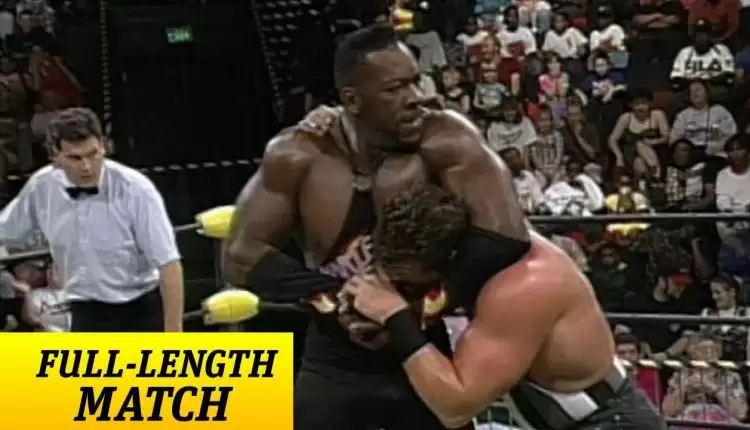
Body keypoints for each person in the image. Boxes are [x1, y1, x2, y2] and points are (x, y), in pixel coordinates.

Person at [222, 24, 531, 430]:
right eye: (395, 88)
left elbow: (505, 235)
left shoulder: (446, 139)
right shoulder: (299, 154)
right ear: (353, 100)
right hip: (334, 356)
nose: (416, 97)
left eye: (416, 81)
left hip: (421, 345)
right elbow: (240, 255)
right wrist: (341, 304)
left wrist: (411, 314)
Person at [341, 195, 668, 429]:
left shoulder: (522, 285)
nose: (416, 294)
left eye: (416, 284)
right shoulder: (479, 252)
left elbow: (455, 408)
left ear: (448, 264)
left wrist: (397, 317)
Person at [0, 107, 183, 332]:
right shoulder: (42, 187)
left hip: (140, 308)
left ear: (103, 146)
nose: (86, 166)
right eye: (75, 158)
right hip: (84, 309)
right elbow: (6, 230)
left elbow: (169, 264)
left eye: (93, 154)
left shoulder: (136, 189)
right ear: (55, 156)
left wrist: (174, 335)